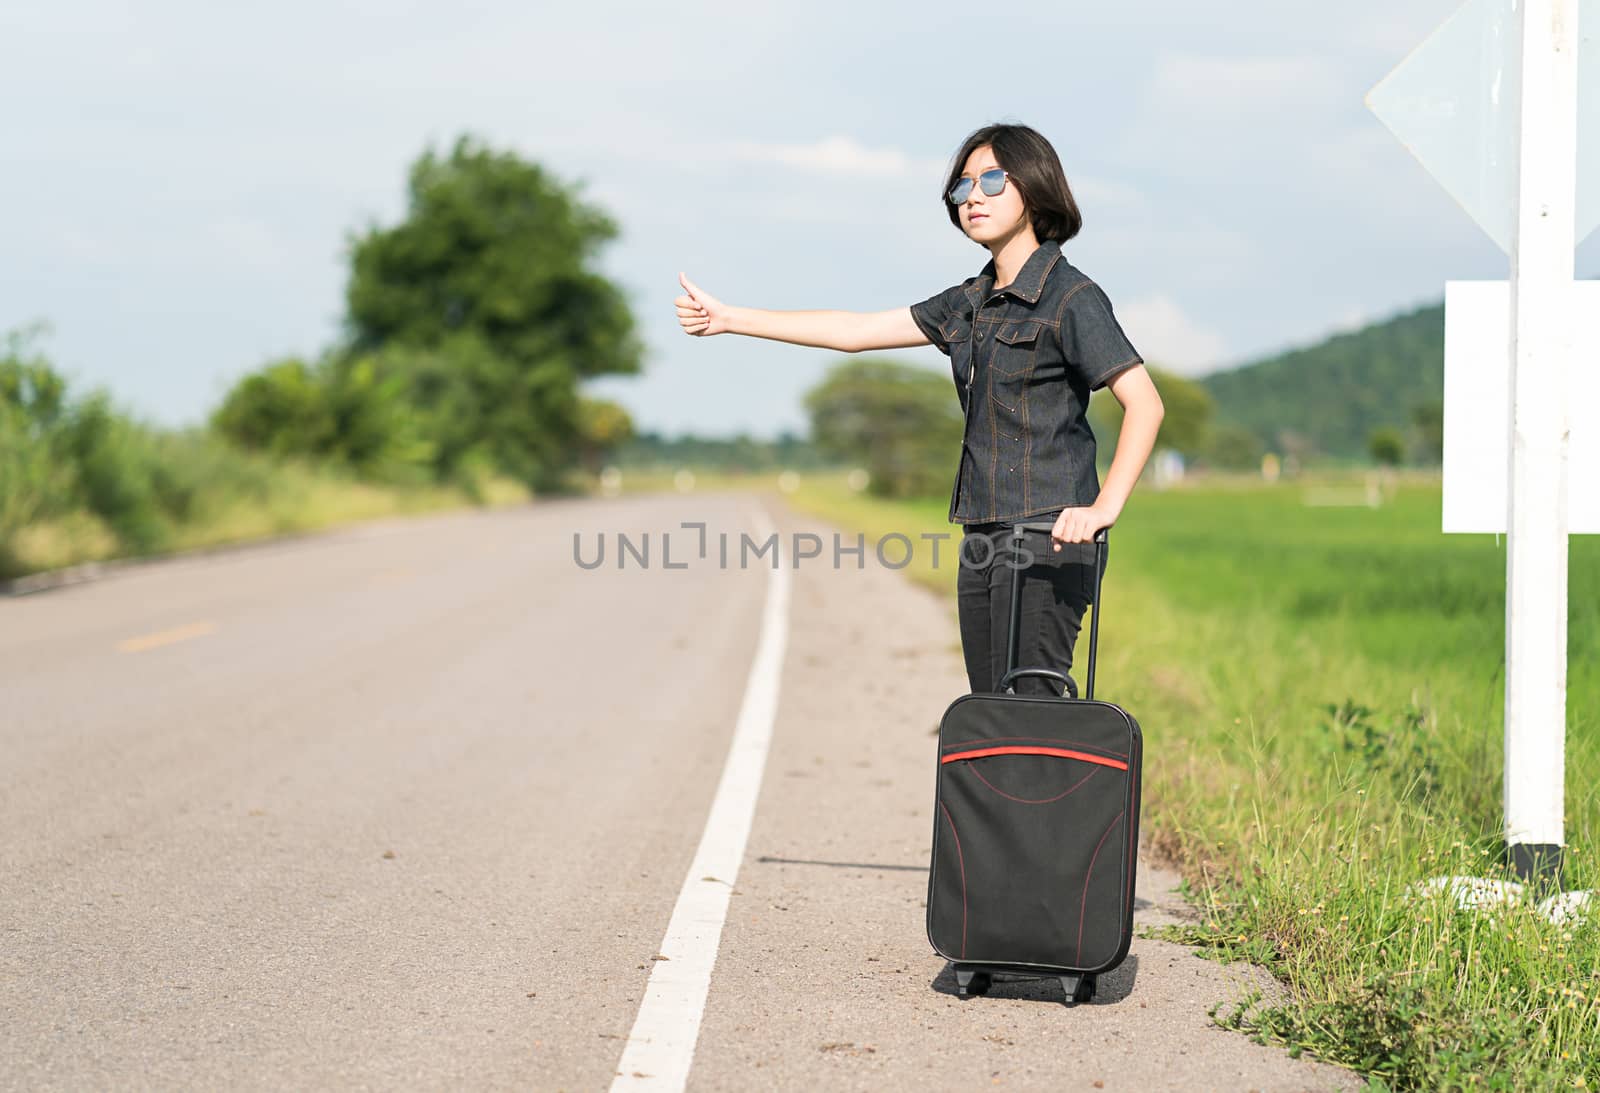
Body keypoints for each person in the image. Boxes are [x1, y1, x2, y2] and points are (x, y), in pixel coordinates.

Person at [673, 122, 1165, 696]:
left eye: (991, 180)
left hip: (1048, 536)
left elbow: (1144, 404)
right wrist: (732, 319)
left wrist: (1102, 508)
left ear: (1034, 187)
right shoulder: (971, 302)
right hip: (982, 532)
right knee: (988, 711)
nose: (972, 196)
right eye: (962, 187)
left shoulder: (1071, 298)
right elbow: (854, 331)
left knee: (1031, 707)